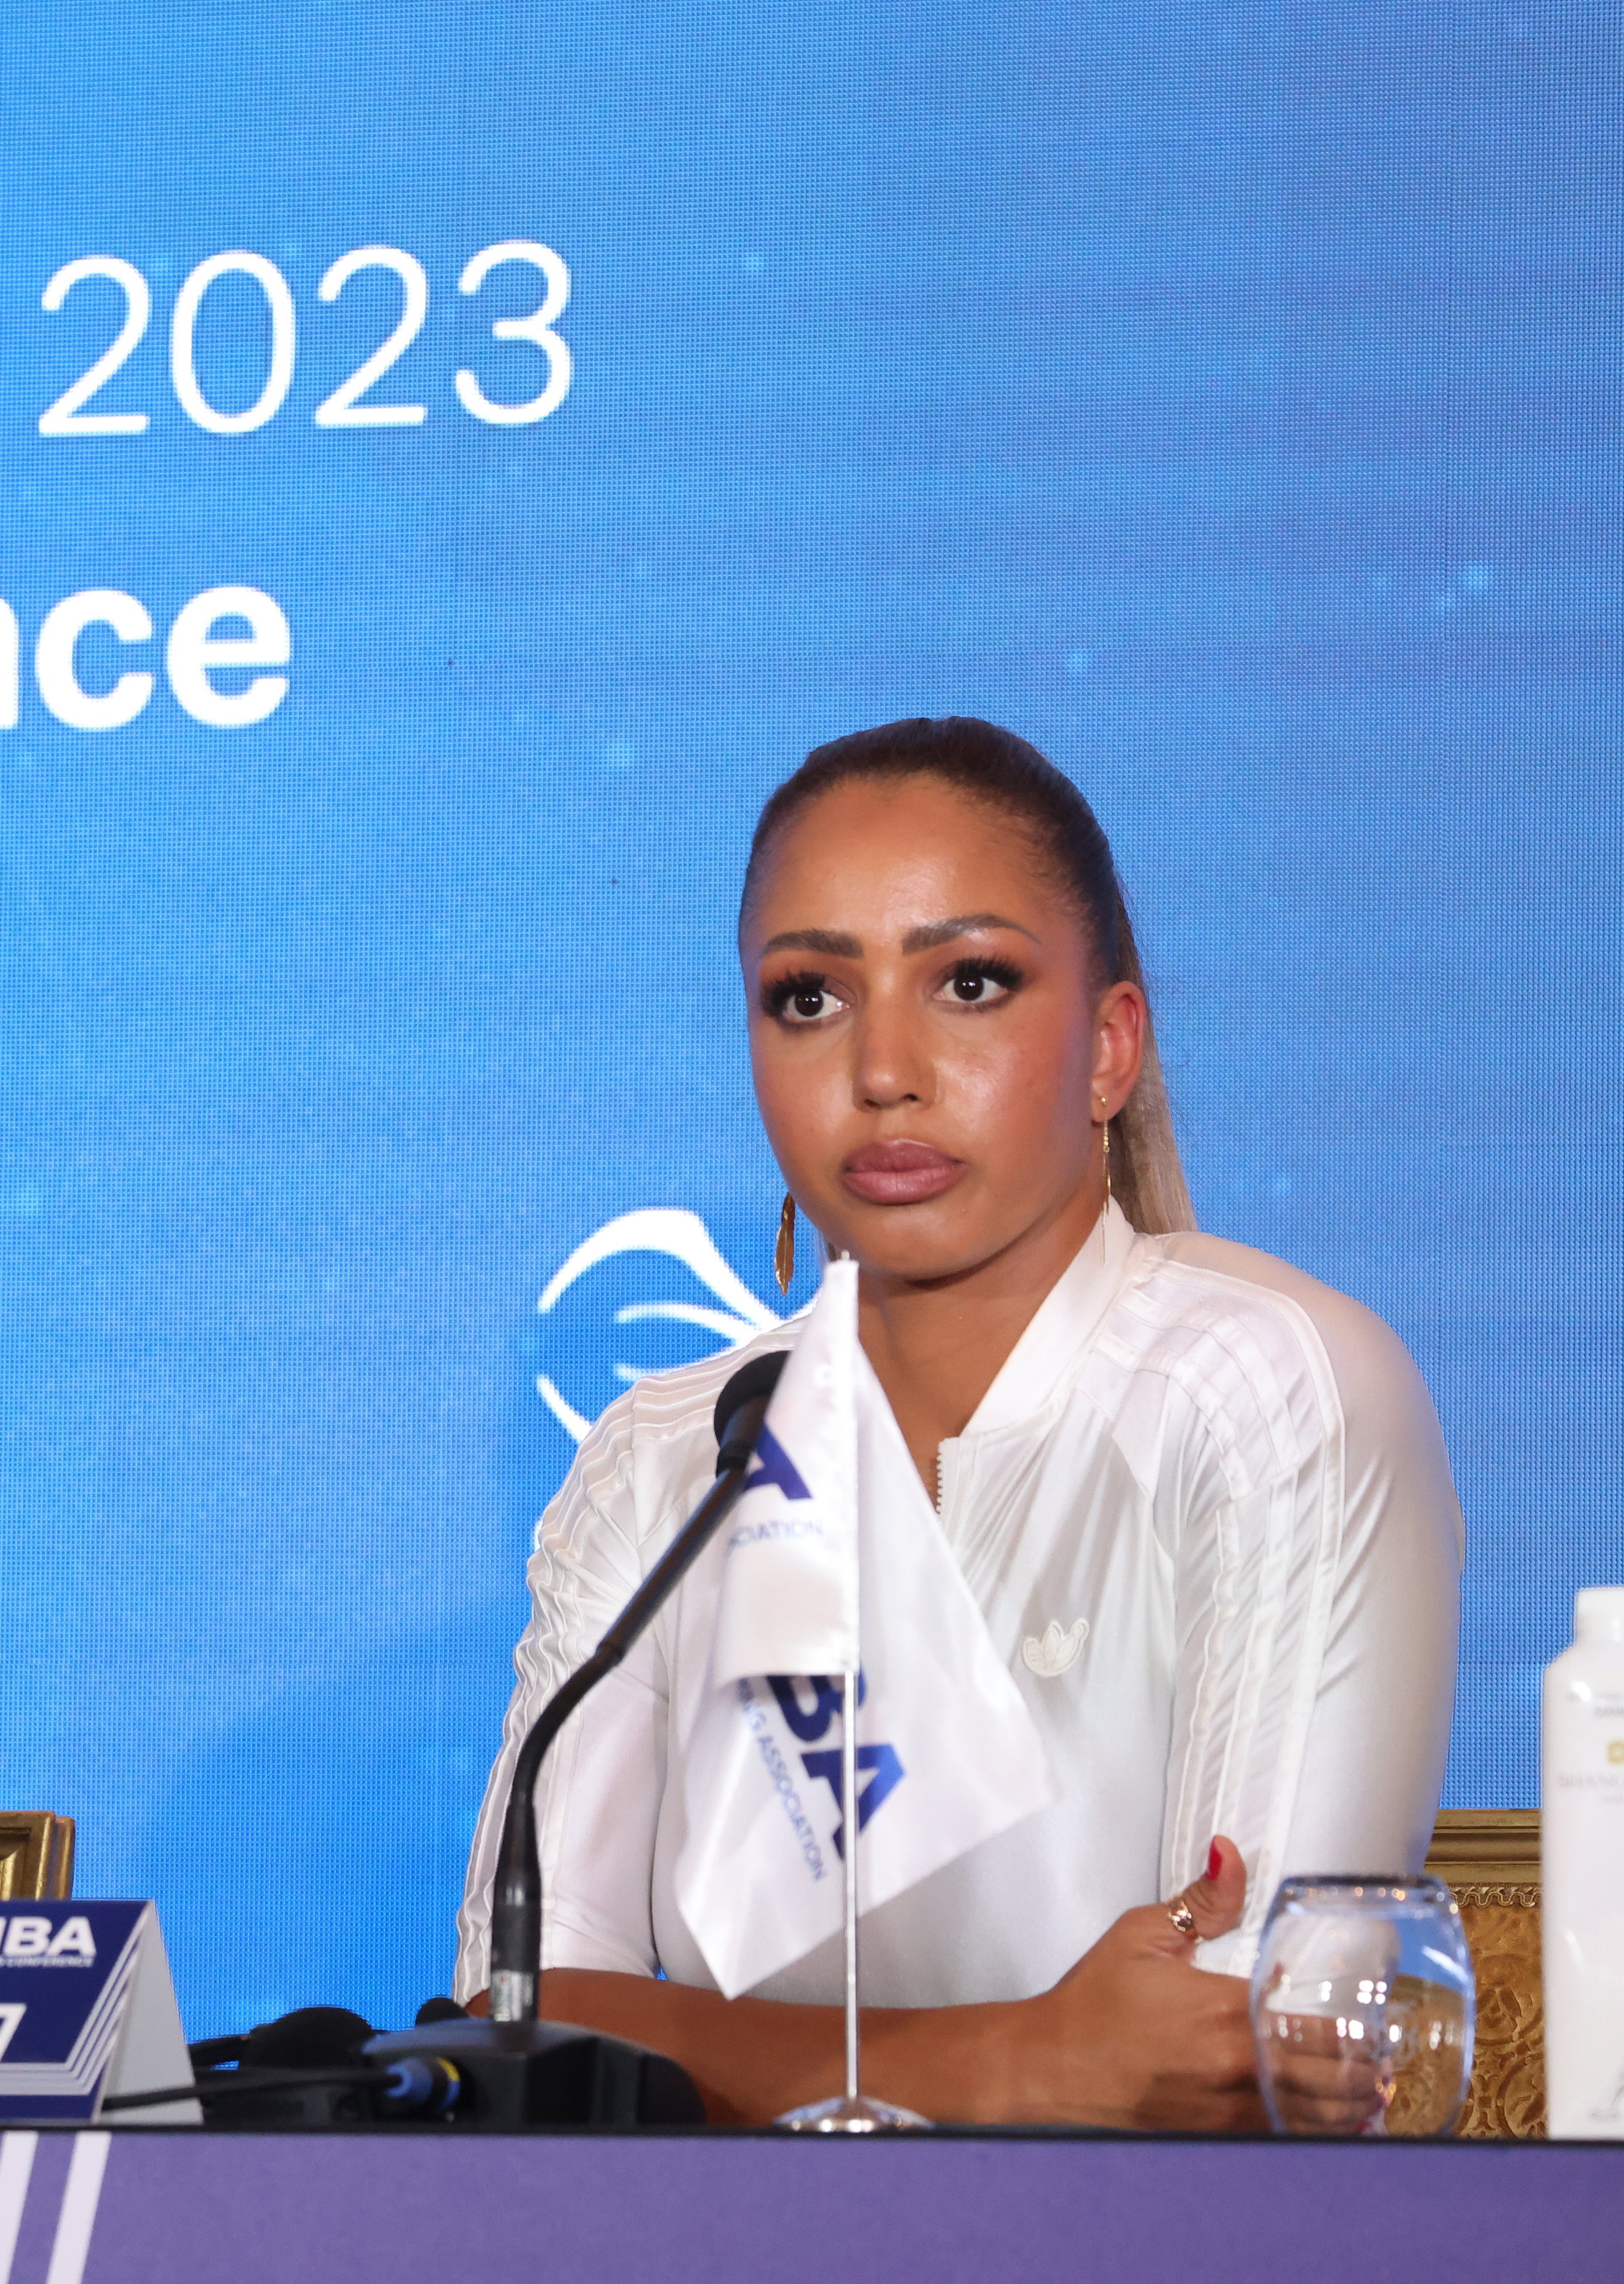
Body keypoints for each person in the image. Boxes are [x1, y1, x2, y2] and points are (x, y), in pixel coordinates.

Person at [454, 717, 1460, 2128]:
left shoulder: (1267, 1387)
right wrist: (1024, 2056)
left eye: (969, 982)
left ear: (1111, 1047)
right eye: (807, 997)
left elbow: (1245, 2062)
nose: (881, 1069)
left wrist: (695, 2055)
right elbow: (520, 2028)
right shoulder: (667, 1456)